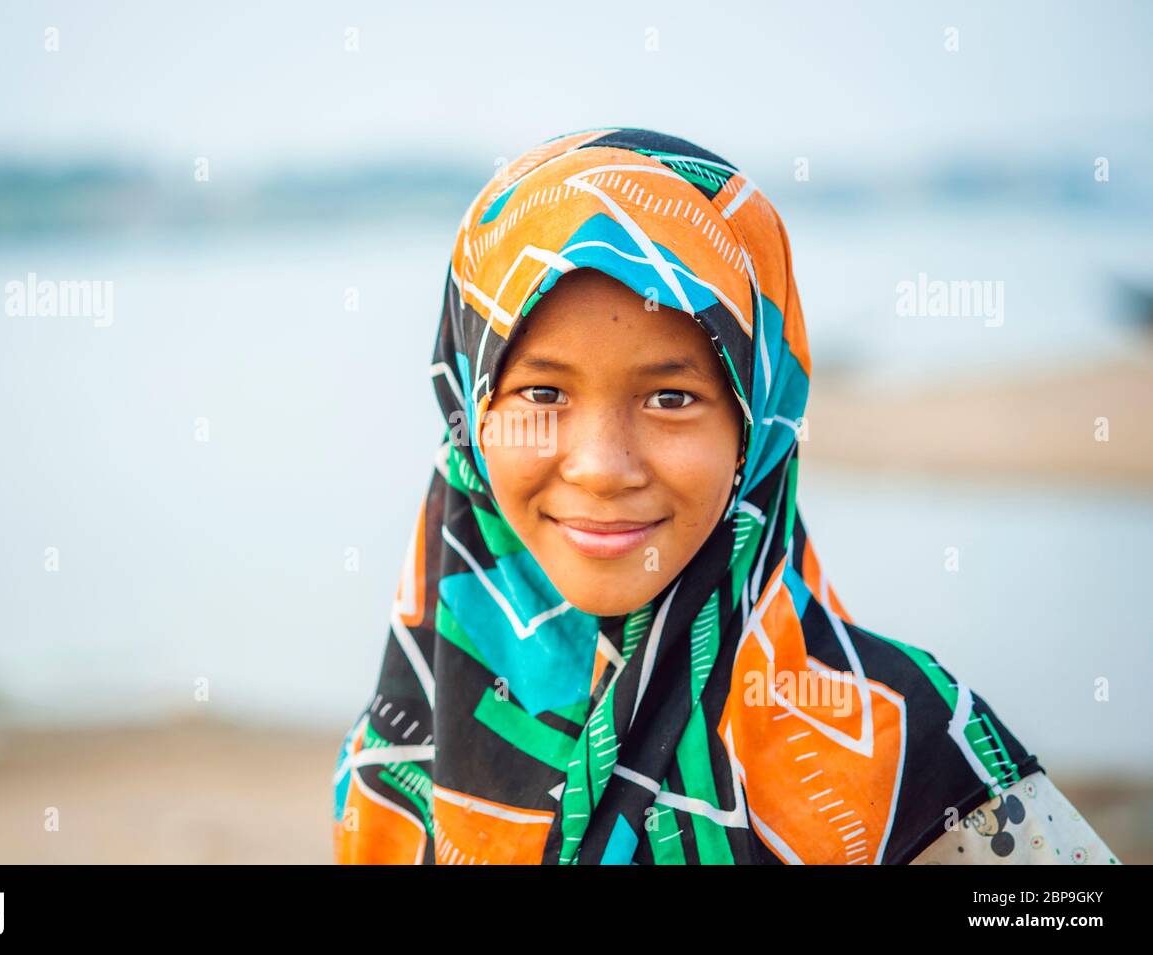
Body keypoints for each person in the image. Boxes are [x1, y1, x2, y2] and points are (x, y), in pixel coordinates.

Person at [332, 127, 1120, 865]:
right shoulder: (401, 746)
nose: (603, 468)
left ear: (758, 424)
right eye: (542, 392)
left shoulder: (913, 750)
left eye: (670, 399)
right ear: (470, 413)